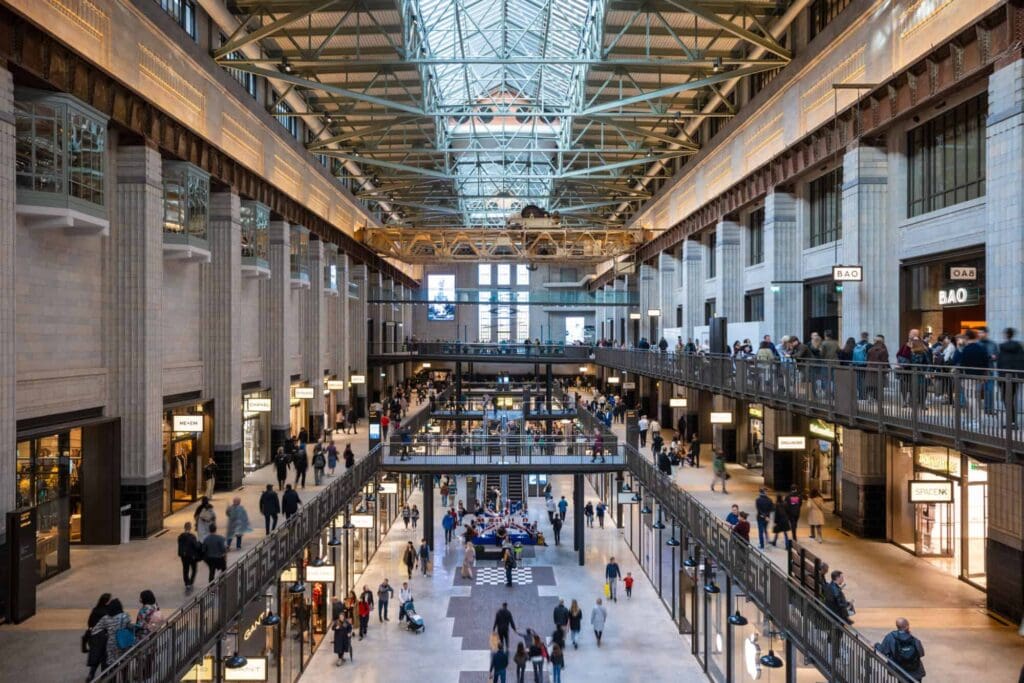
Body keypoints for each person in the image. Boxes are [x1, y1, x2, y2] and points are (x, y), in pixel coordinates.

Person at [93, 599, 132, 676]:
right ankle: (125, 679)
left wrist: (106, 634)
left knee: (112, 665)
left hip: (111, 645)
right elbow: (129, 626)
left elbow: (95, 630)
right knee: (124, 663)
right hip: (124, 643)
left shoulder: (106, 618)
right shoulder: (125, 616)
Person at [999, 328, 1024, 427]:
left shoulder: (1002, 348)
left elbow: (1000, 363)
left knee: (1006, 399)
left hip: (1004, 377)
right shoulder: (1019, 348)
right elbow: (1021, 361)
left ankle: (1011, 421)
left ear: (1006, 335)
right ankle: (1012, 421)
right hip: (1014, 376)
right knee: (1011, 398)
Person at [84, 594, 112, 680]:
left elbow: (89, 623)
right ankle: (104, 676)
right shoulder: (108, 612)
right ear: (107, 602)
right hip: (105, 637)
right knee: (104, 658)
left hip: (94, 637)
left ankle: (91, 674)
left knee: (96, 656)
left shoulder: (95, 610)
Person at [177, 522, 201, 591]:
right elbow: (196, 546)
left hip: (184, 556)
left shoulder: (180, 536)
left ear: (184, 528)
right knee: (194, 569)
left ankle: (187, 583)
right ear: (190, 528)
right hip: (192, 556)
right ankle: (191, 582)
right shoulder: (192, 537)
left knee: (185, 569)